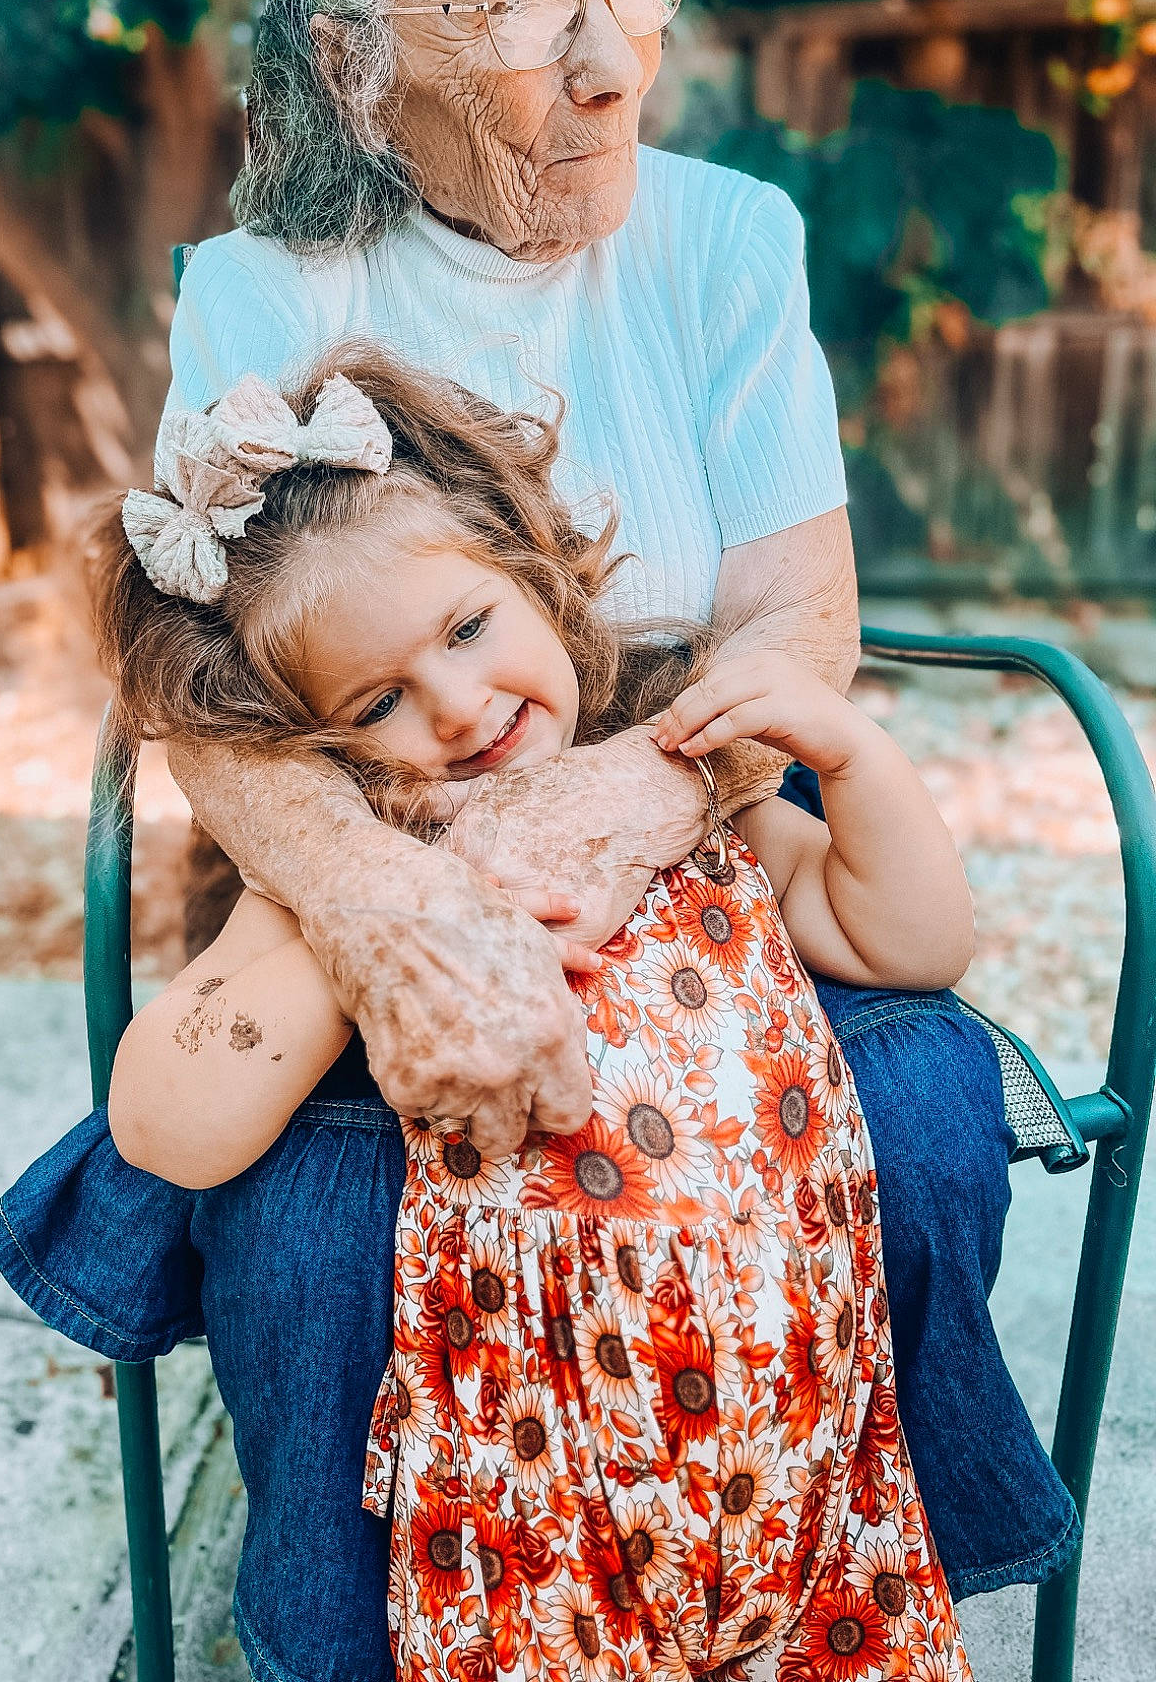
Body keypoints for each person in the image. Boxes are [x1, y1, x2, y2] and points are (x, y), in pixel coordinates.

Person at [0, 0, 1074, 1682]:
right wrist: (399, 913)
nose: (607, 59)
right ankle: (362, 1627)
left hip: (698, 827)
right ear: (358, 66)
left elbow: (800, 617)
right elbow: (217, 688)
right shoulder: (264, 287)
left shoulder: (725, 237)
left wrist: (643, 802)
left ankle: (829, 1557)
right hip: (365, 832)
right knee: (319, 1229)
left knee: (913, 1118)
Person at [101, 343, 975, 1681]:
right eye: (376, 702)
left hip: (802, 1438)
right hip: (536, 1495)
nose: (454, 708)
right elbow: (171, 1125)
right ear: (325, 749)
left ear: (540, 575)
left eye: (466, 629)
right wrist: (369, 932)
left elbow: (909, 941)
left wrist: (850, 759)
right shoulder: (370, 877)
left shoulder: (690, 793)